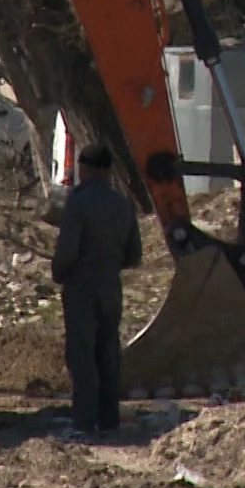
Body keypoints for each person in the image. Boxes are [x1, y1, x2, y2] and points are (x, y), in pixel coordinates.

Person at [51, 143, 143, 436]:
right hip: (110, 288)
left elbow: (68, 250)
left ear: (84, 168)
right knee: (108, 353)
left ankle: (84, 420)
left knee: (82, 354)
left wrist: (59, 272)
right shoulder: (123, 204)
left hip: (82, 288)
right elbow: (134, 255)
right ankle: (109, 418)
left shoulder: (78, 202)